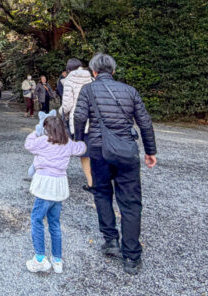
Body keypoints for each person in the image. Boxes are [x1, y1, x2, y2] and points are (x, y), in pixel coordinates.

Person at [73, 53, 157, 276]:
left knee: (101, 193)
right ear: (113, 70)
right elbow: (145, 122)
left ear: (93, 72)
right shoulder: (130, 91)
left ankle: (110, 240)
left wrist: (80, 142)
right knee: (130, 202)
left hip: (99, 150)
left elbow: (79, 117)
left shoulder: (88, 90)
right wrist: (150, 151)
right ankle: (131, 256)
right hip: (127, 150)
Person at [24, 115, 87, 273]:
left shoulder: (43, 141)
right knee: (55, 223)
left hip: (45, 185)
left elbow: (28, 144)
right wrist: (78, 136)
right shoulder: (68, 143)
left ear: (46, 129)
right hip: (59, 185)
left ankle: (40, 258)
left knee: (36, 219)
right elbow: (82, 148)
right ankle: (57, 260)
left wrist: (35, 132)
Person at [60, 58, 94, 192]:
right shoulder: (91, 78)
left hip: (79, 120)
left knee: (84, 153)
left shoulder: (69, 80)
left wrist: (61, 111)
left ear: (69, 69)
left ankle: (91, 183)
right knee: (95, 151)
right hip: (93, 119)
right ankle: (101, 180)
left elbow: (67, 105)